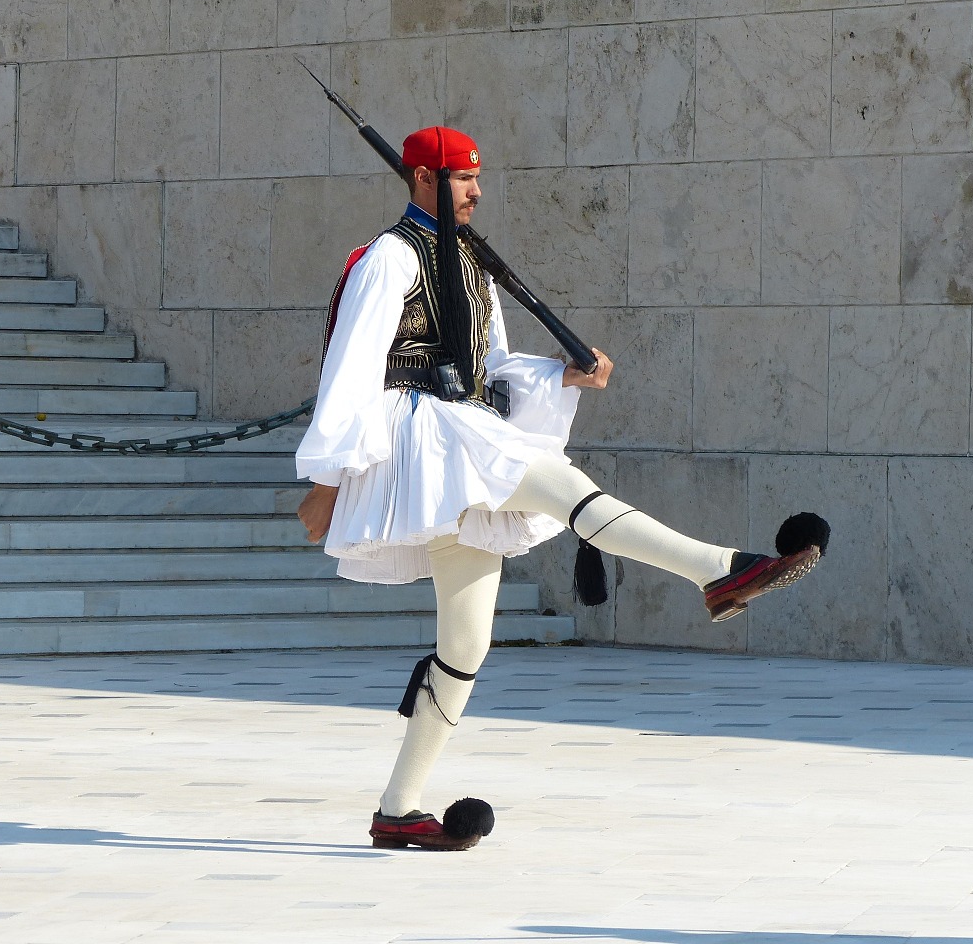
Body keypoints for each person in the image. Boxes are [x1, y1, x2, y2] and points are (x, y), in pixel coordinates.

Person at [295, 126, 828, 851]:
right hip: (420, 438)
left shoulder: (473, 262)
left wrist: (561, 374)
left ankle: (398, 808)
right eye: (461, 180)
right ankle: (717, 569)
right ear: (421, 180)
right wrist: (327, 481)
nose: (476, 191)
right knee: (560, 485)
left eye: (476, 179)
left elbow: (494, 367)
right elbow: (353, 366)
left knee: (466, 644)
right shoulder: (389, 258)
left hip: (464, 431)